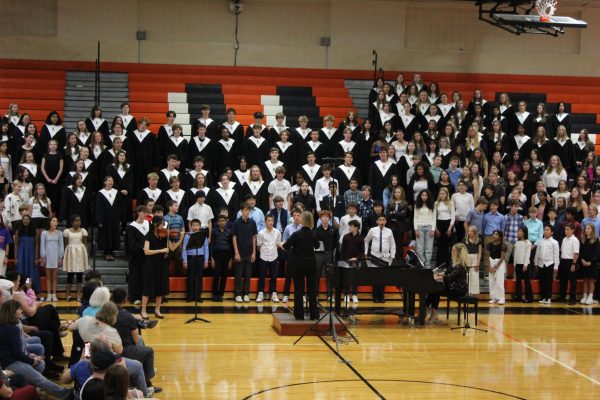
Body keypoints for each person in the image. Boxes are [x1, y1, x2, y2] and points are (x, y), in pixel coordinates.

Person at [0, 300, 72, 400]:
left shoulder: (7, 326)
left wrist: (30, 355)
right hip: (11, 363)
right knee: (39, 377)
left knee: (41, 364)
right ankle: (65, 394)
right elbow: (17, 353)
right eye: (19, 309)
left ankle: (33, 388)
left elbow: (18, 349)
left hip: (10, 360)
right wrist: (32, 360)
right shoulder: (12, 329)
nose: (21, 311)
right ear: (12, 311)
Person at [111, 288, 159, 394]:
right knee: (148, 351)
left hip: (108, 350)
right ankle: (146, 382)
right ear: (125, 300)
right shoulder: (126, 316)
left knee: (141, 344)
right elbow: (135, 340)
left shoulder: (105, 313)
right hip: (122, 350)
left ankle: (144, 374)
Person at [283, 211, 320, 320]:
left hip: (298, 264)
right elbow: (317, 245)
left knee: (299, 290)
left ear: (303, 220)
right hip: (311, 265)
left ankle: (299, 315)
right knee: (312, 290)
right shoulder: (313, 233)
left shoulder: (296, 234)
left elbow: (286, 246)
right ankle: (314, 315)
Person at [425, 243, 468, 322]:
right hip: (452, 287)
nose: (452, 252)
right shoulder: (455, 264)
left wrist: (438, 277)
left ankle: (430, 313)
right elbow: (446, 273)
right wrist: (439, 274)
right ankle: (426, 311)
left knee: (436, 291)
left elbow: (449, 277)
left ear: (458, 253)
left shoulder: (461, 266)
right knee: (433, 290)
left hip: (458, 290)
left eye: (453, 250)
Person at [141, 216, 170, 320]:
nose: (163, 226)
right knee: (148, 288)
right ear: (155, 224)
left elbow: (166, 250)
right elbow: (146, 252)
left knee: (160, 288)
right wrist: (161, 251)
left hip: (161, 264)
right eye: (161, 224)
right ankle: (143, 311)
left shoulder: (162, 236)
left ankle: (157, 310)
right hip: (151, 265)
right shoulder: (148, 236)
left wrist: (166, 253)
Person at [364, 214, 396, 303]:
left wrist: (392, 256)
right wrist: (366, 252)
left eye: (383, 220)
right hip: (374, 256)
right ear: (377, 221)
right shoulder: (372, 230)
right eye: (380, 220)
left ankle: (381, 295)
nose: (382, 222)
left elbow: (392, 244)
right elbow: (366, 241)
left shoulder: (389, 231)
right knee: (375, 277)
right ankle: (375, 295)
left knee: (383, 277)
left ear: (386, 221)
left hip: (385, 257)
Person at [231, 203, 258, 303]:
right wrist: (236, 252)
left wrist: (254, 252)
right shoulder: (236, 223)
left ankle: (246, 293)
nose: (247, 212)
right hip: (240, 252)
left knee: (248, 274)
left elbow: (254, 237)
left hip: (249, 251)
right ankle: (237, 294)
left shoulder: (253, 223)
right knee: (238, 274)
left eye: (248, 210)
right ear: (241, 211)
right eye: (245, 210)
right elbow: (234, 237)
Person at [126, 205, 149, 305]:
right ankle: (135, 297)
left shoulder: (148, 224)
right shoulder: (131, 226)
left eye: (146, 212)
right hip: (136, 256)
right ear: (138, 213)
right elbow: (132, 243)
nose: (145, 214)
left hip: (147, 256)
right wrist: (142, 248)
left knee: (145, 276)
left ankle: (145, 296)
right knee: (135, 277)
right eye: (144, 212)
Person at [256, 214, 282, 303]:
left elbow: (278, 244)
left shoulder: (277, 232)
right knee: (262, 276)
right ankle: (260, 293)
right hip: (263, 256)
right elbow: (258, 246)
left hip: (274, 256)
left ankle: (274, 293)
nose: (270, 222)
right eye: (268, 220)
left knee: (273, 276)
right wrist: (264, 252)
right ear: (265, 222)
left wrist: (272, 251)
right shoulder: (261, 233)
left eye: (272, 220)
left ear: (274, 222)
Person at [182, 219, 209, 302]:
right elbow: (184, 249)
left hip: (200, 258)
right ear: (191, 226)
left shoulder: (203, 235)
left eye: (197, 225)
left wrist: (206, 261)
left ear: (200, 226)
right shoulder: (188, 236)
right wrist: (185, 260)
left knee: (199, 278)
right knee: (191, 277)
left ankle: (198, 296)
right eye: (193, 225)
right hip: (191, 258)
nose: (195, 227)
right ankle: (190, 296)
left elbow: (206, 248)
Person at [63, 214, 88, 302]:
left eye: (79, 221)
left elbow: (85, 244)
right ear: (72, 222)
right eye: (76, 221)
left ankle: (78, 294)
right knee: (70, 275)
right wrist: (65, 256)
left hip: (80, 254)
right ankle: (68, 294)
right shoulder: (67, 231)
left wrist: (86, 256)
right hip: (71, 254)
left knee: (79, 275)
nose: (78, 222)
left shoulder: (83, 231)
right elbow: (66, 245)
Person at [40, 217, 63, 302]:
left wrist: (61, 257)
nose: (55, 223)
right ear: (49, 222)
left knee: (55, 277)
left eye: (56, 221)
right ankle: (49, 294)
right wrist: (43, 256)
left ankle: (54, 294)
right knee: (48, 276)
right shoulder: (44, 233)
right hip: (47, 255)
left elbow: (61, 245)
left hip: (55, 255)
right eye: (53, 221)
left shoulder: (59, 233)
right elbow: (42, 245)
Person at [414, 190, 436, 269]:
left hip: (430, 227)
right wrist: (416, 229)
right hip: (419, 227)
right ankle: (423, 264)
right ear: (420, 196)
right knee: (419, 249)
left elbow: (434, 218)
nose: (424, 196)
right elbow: (415, 218)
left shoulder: (432, 205)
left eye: (426, 195)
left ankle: (427, 266)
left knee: (429, 249)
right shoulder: (417, 204)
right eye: (422, 195)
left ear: (428, 196)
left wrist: (433, 230)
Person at [559, 223, 580, 305]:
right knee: (563, 281)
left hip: (571, 261)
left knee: (572, 282)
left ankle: (572, 299)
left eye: (568, 229)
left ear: (573, 230)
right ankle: (562, 297)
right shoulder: (564, 239)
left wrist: (574, 264)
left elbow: (576, 253)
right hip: (563, 261)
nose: (566, 231)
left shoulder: (575, 240)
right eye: (565, 229)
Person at [578, 224, 599, 305]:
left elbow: (597, 253)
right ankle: (585, 296)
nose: (587, 230)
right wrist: (582, 260)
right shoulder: (583, 239)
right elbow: (581, 251)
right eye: (586, 228)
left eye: (589, 228)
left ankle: (590, 296)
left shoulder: (596, 240)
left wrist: (591, 261)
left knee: (591, 280)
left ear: (592, 230)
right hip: (584, 263)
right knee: (585, 280)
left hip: (592, 263)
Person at [513, 226, 533, 303]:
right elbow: (516, 254)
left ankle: (529, 298)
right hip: (518, 264)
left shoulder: (528, 243)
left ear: (524, 232)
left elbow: (528, 254)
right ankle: (518, 296)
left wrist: (525, 265)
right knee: (518, 281)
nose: (519, 233)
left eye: (520, 231)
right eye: (518, 231)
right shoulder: (517, 242)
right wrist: (514, 263)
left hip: (525, 265)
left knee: (527, 281)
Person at [487, 230, 507, 305]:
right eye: (493, 234)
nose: (494, 235)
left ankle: (502, 298)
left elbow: (502, 258)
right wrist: (489, 266)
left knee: (499, 281)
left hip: (499, 263)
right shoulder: (489, 244)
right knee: (492, 281)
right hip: (491, 262)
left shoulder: (503, 245)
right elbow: (488, 256)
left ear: (500, 237)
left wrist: (496, 267)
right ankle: (493, 298)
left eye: (496, 234)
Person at [464, 226, 482, 296]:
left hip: (475, 257)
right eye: (469, 231)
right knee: (467, 275)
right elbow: (463, 251)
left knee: (474, 276)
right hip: (467, 257)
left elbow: (480, 252)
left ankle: (474, 293)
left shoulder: (478, 240)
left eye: (471, 231)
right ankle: (467, 292)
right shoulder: (465, 239)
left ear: (475, 232)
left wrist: (478, 263)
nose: (470, 233)